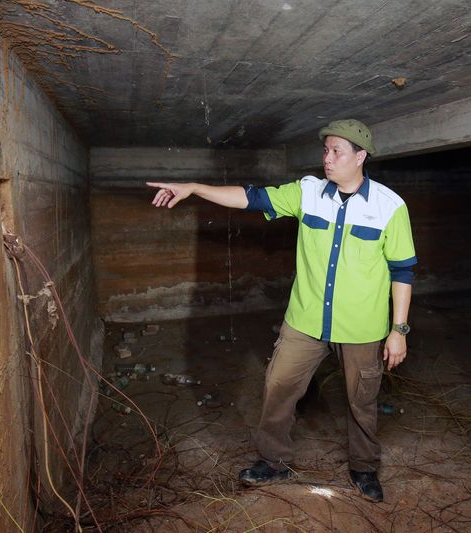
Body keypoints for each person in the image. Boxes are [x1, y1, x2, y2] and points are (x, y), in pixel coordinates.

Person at [147, 119, 416, 503]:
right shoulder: (307, 193)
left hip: (361, 327)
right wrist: (193, 188)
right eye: (325, 150)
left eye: (337, 151)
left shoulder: (390, 207)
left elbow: (402, 270)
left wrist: (398, 330)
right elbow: (251, 198)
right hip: (305, 320)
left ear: (360, 156)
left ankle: (364, 467)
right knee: (278, 386)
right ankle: (272, 461)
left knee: (362, 400)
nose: (327, 158)